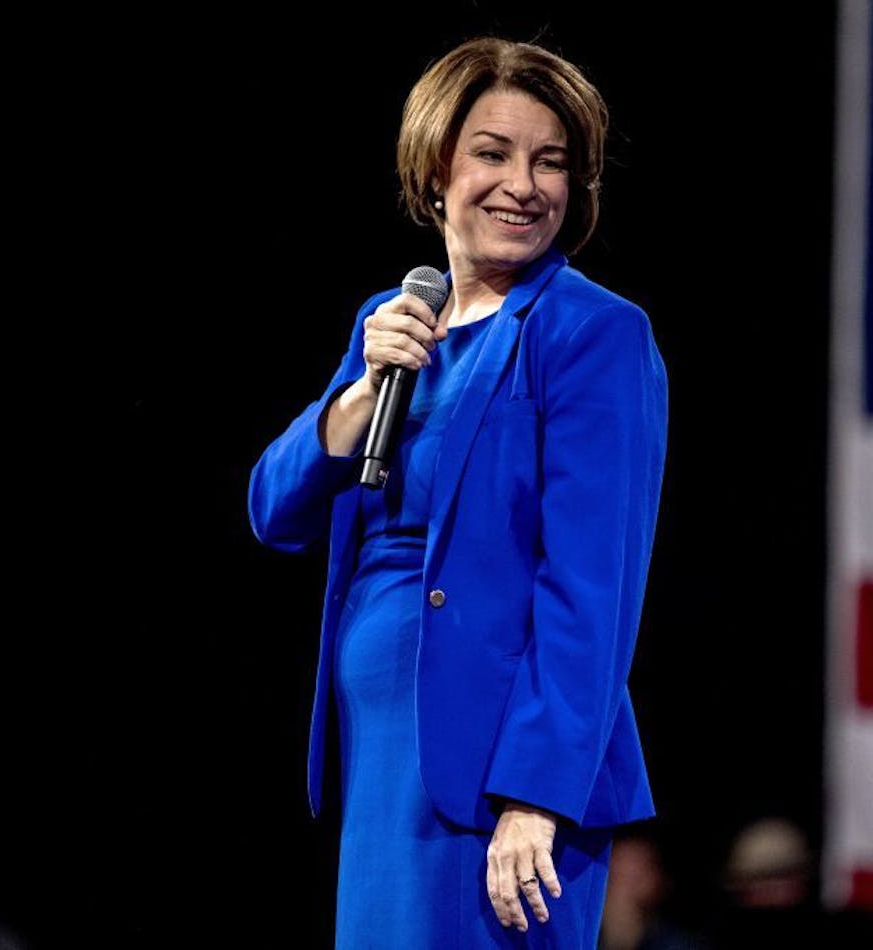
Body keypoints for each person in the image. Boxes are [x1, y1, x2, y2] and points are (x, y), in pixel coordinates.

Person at [247, 35, 668, 948]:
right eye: (494, 152)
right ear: (436, 168)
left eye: (550, 161)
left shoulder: (593, 333)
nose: (525, 183)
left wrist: (535, 798)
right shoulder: (391, 320)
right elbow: (272, 510)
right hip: (385, 763)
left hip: (503, 780)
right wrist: (356, 399)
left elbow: (593, 588)